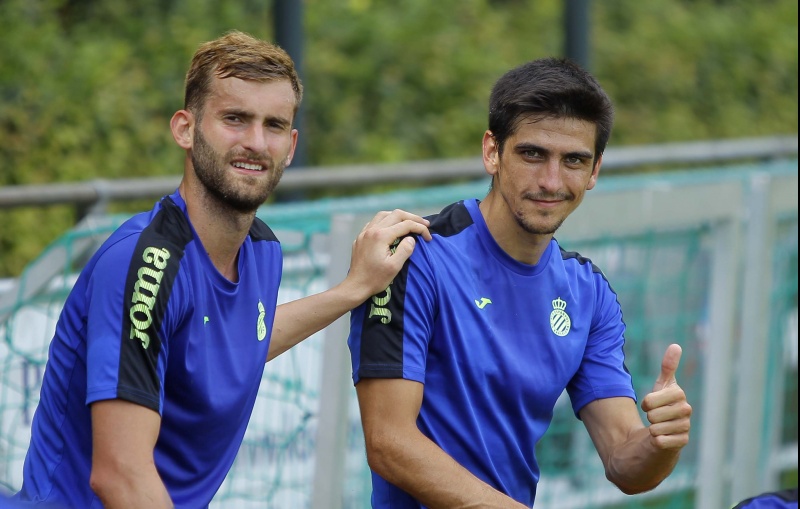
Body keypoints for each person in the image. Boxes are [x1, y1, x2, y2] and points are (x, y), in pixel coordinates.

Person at [12, 30, 430, 508]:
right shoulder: (145, 266)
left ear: (291, 146)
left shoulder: (263, 250)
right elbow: (120, 476)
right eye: (235, 119)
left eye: (274, 125)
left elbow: (236, 342)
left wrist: (353, 289)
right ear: (185, 129)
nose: (256, 142)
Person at [347, 57, 693, 508]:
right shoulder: (414, 257)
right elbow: (389, 443)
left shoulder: (589, 293)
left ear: (594, 171)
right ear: (492, 151)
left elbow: (625, 462)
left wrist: (661, 444)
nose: (551, 181)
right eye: (532, 154)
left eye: (573, 160)